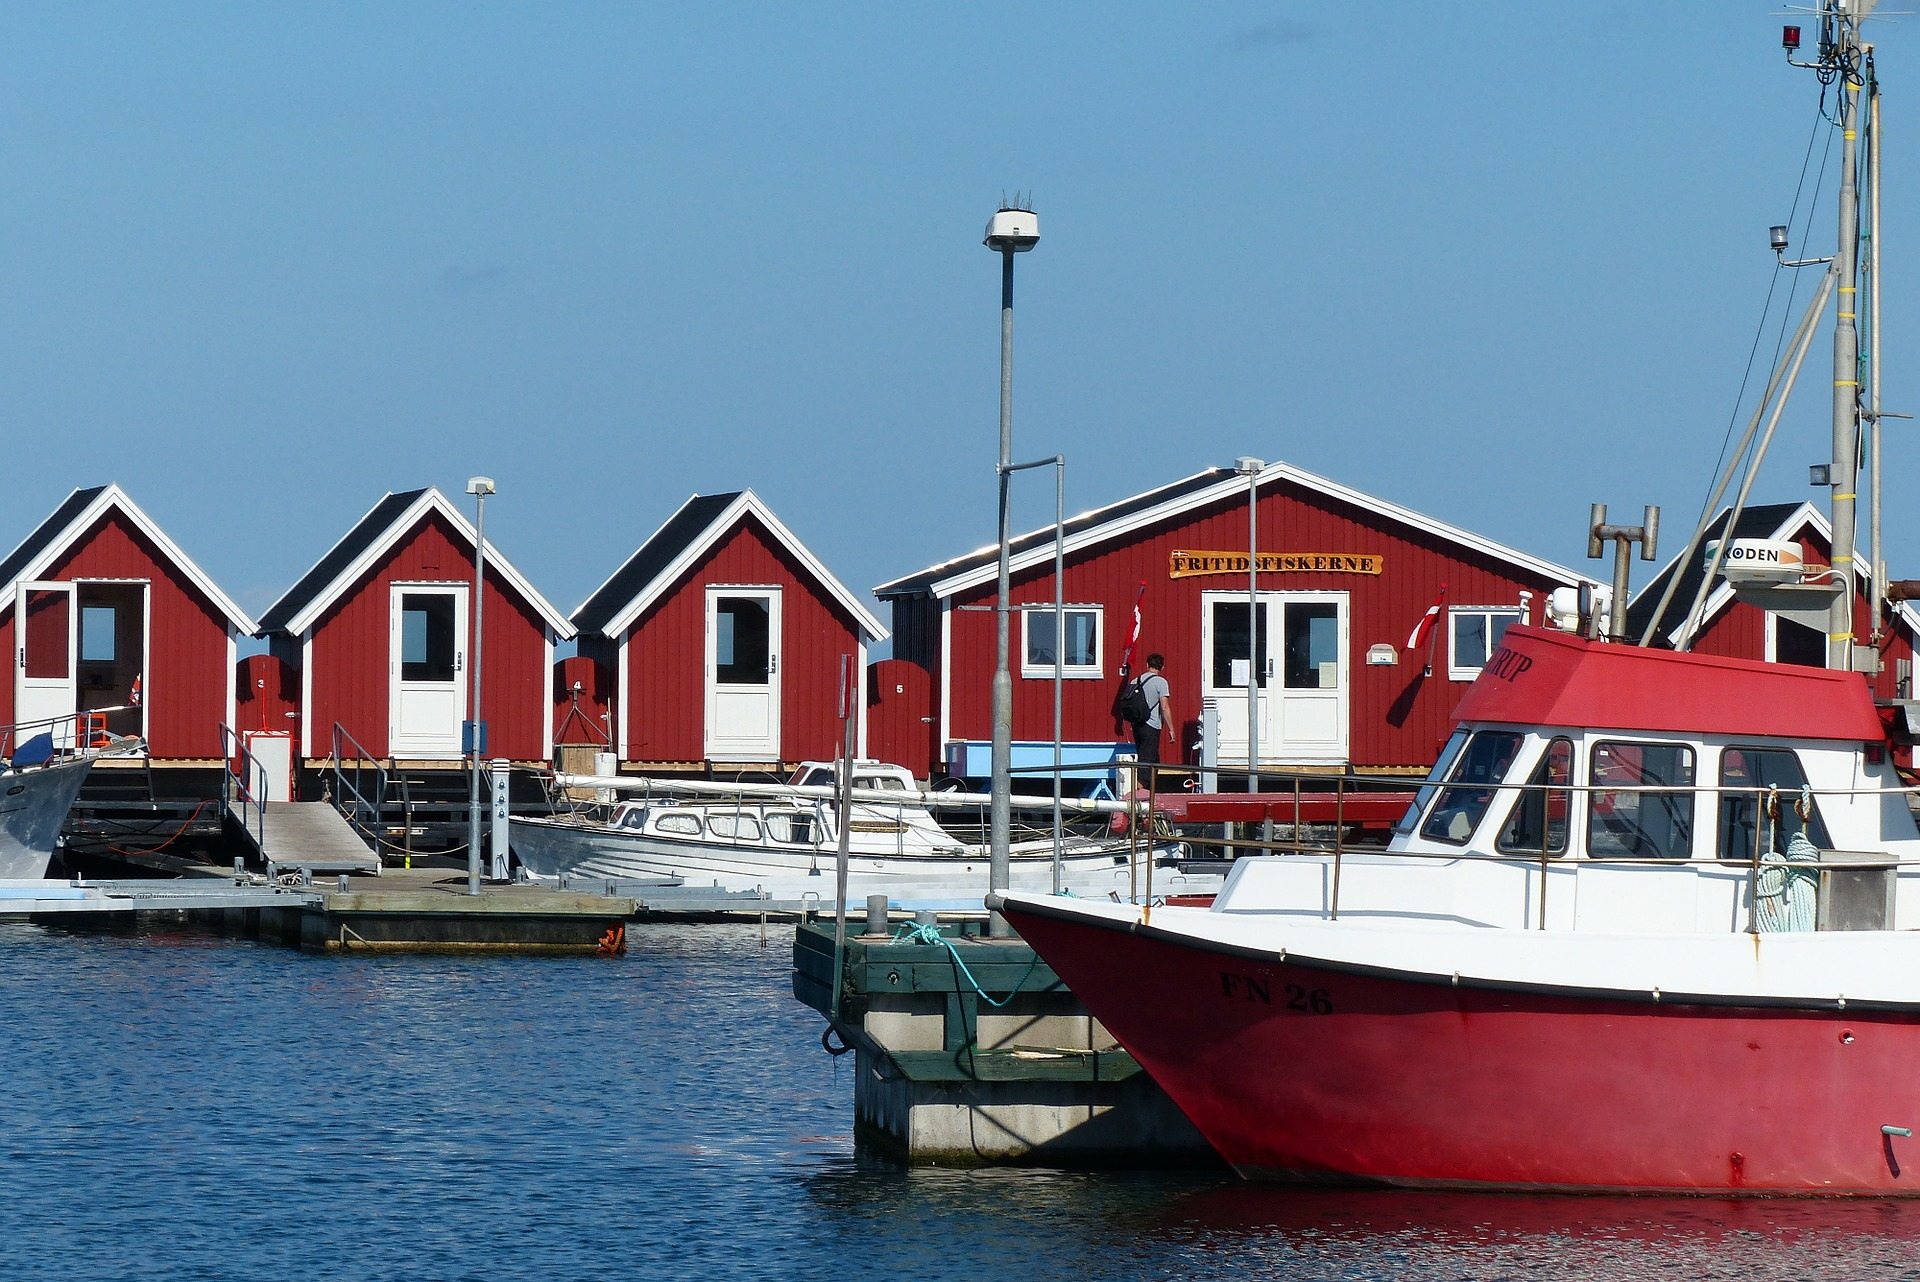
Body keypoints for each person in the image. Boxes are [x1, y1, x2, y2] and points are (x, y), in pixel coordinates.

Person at [1133, 653, 1172, 778]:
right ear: (1162, 667)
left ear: (1147, 665)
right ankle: (1141, 790)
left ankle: (1150, 788)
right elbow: (1165, 707)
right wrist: (1171, 729)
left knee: (1149, 756)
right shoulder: (1160, 682)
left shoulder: (1136, 680)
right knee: (1147, 759)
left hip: (1137, 724)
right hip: (1152, 725)